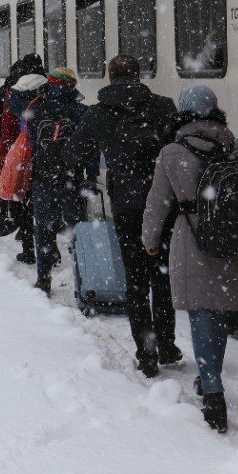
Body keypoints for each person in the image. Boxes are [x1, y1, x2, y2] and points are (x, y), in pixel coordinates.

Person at [141, 84, 238, 433]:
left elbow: (157, 202)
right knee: (220, 310)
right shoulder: (233, 145)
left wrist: (150, 239)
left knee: (202, 311)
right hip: (231, 239)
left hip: (192, 239)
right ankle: (212, 379)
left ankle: (212, 391)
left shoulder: (172, 151)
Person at [66, 54, 182, 377]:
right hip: (162, 203)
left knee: (135, 281)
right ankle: (168, 344)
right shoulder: (163, 107)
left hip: (127, 206)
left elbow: (73, 152)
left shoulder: (98, 113)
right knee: (161, 275)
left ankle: (146, 355)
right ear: (140, 76)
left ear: (109, 78)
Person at [24, 68, 89, 293]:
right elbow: (89, 148)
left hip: (43, 177)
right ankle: (84, 281)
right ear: (71, 86)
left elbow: (31, 142)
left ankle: (44, 277)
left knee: (43, 229)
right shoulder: (81, 111)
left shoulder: (36, 108)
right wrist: (89, 176)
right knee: (78, 230)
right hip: (71, 178)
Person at [0, 55, 47, 263]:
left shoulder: (14, 95)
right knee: (42, 206)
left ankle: (28, 249)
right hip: (44, 157)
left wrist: (4, 158)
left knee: (22, 202)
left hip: (20, 159)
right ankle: (50, 251)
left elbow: (6, 130)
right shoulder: (48, 92)